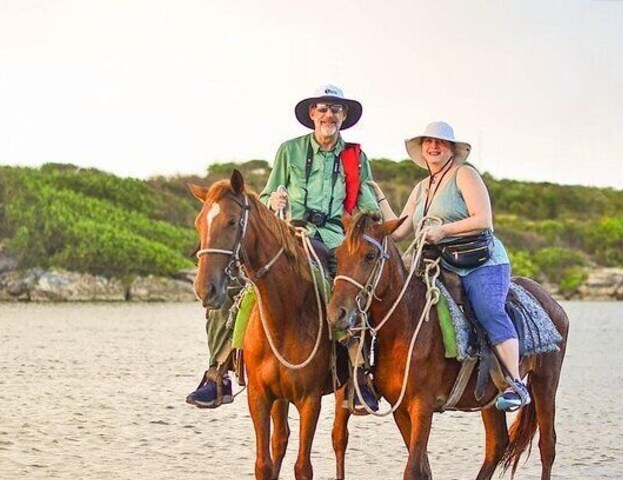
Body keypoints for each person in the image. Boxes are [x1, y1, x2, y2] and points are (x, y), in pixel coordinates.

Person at [187, 84, 383, 410]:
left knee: (352, 291)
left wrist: (361, 220)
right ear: (312, 114)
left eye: (335, 109)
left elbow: (368, 207)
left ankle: (359, 374)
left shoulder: (356, 158)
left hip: (335, 239)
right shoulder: (289, 151)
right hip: (290, 234)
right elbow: (264, 198)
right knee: (246, 289)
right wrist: (273, 200)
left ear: (344, 116)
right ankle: (217, 371)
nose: (328, 115)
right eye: (322, 108)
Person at [372, 121, 530, 411]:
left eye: (440, 143)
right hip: (441, 262)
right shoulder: (422, 188)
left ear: (451, 149)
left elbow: (483, 220)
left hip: (479, 261)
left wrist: (443, 231)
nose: (434, 147)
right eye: (428, 142)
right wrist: (377, 195)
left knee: (488, 308)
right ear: (421, 149)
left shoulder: (464, 175)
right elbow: (398, 231)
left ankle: (516, 384)